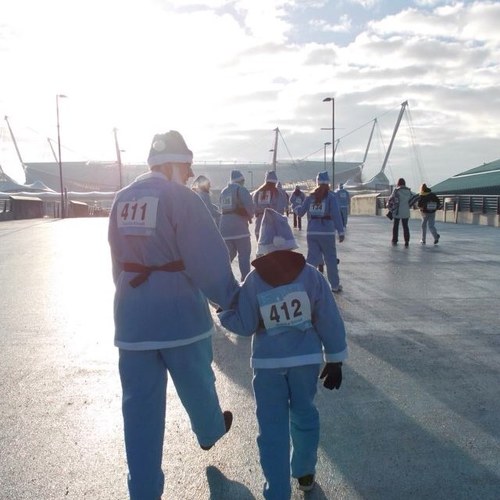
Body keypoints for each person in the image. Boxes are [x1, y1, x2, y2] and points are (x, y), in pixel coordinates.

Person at [108, 130, 239, 500]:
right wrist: (229, 299)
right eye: (187, 167)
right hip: (180, 317)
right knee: (198, 382)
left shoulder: (121, 199)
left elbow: (117, 262)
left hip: (132, 321)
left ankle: (144, 491)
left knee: (139, 410)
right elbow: (207, 260)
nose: (187, 174)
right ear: (178, 164)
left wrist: (129, 296)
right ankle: (211, 432)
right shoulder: (181, 199)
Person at [218, 208, 348, 499]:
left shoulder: (254, 280)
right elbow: (328, 318)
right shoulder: (311, 276)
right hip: (306, 362)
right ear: (290, 240)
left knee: (271, 427)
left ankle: (276, 490)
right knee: (304, 414)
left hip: (268, 365)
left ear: (261, 242)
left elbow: (246, 324)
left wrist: (224, 313)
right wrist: (335, 358)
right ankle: (304, 472)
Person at [294, 171, 345, 293]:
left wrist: (295, 208)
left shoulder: (310, 197)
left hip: (312, 232)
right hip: (327, 232)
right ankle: (335, 285)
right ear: (328, 183)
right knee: (331, 259)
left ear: (317, 182)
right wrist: (341, 231)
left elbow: (300, 213)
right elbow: (336, 215)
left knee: (312, 260)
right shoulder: (331, 197)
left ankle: (306, 284)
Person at [219, 170, 255, 281]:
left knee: (228, 256)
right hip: (239, 229)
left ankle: (223, 278)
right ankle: (245, 280)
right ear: (241, 180)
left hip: (224, 228)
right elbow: (250, 207)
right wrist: (249, 215)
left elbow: (222, 208)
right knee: (244, 255)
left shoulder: (224, 191)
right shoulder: (241, 189)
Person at [252, 170, 284, 241]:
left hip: (259, 222)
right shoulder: (277, 193)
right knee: (272, 248)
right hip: (272, 222)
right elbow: (280, 209)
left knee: (261, 247)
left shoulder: (257, 193)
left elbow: (253, 207)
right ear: (275, 181)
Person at [387, 177, 416, 247]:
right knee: (405, 226)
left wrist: (389, 207)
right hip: (406, 211)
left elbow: (391, 199)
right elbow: (414, 197)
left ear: (398, 183)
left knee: (396, 226)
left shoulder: (396, 190)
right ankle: (406, 241)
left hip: (397, 211)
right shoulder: (409, 191)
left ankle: (395, 239)